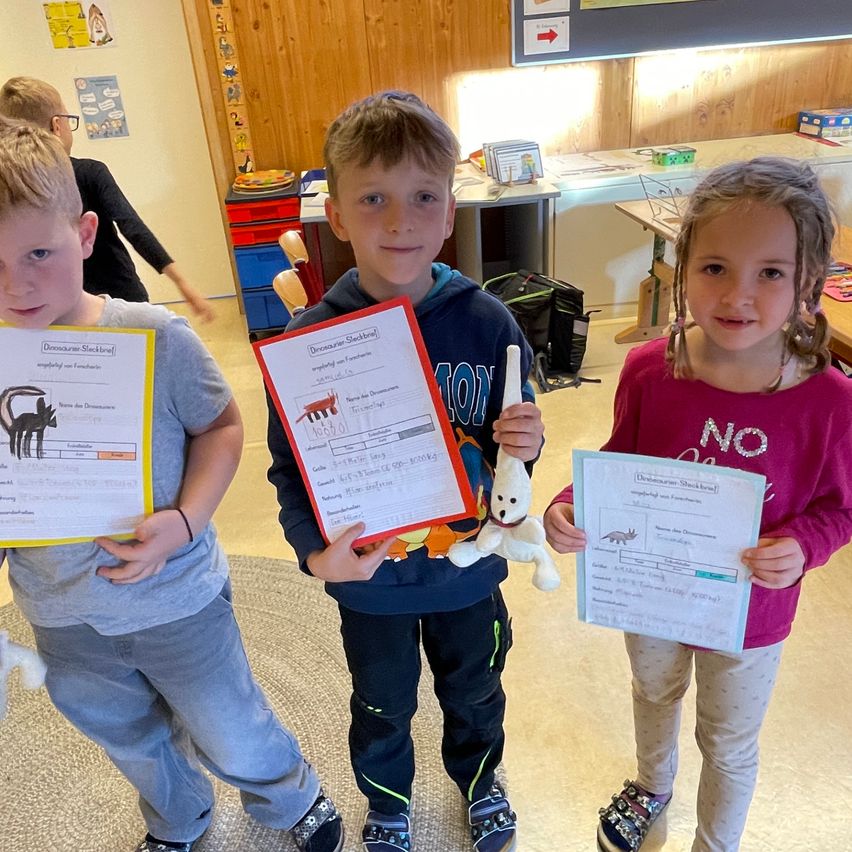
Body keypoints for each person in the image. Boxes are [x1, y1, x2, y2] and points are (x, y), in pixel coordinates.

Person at [0, 120, 343, 852]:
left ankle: (288, 795)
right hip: (61, 614)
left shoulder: (155, 336)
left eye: (39, 251)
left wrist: (187, 519)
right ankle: (178, 816)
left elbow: (221, 428)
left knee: (230, 722)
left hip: (176, 596)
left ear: (86, 234)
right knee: (126, 737)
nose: (15, 282)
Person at [544, 156, 852, 852]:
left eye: (770, 272)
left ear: (809, 283)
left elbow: (843, 507)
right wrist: (571, 504)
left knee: (730, 741)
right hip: (651, 591)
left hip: (751, 614)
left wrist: (804, 546)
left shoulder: (831, 402)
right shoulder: (652, 368)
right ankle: (652, 785)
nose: (738, 294)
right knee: (653, 696)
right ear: (683, 269)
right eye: (715, 267)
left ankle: (717, 843)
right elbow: (620, 456)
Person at [266, 91, 545, 852]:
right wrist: (313, 552)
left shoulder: (487, 320)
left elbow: (514, 453)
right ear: (336, 212)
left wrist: (527, 438)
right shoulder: (309, 341)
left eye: (424, 196)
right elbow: (288, 468)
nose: (400, 221)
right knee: (381, 703)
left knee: (475, 690)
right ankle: (388, 805)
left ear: (450, 211)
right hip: (374, 581)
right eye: (374, 199)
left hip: (466, 570)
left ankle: (482, 783)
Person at [0, 76, 214, 321]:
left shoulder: (10, 188)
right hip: (119, 297)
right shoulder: (91, 172)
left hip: (53, 309)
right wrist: (182, 282)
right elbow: (132, 226)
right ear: (57, 125)